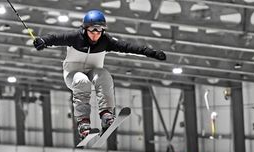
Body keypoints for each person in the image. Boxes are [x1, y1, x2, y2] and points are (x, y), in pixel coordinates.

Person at [32, 9, 167, 138]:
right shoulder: (74, 37)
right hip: (73, 75)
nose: (96, 34)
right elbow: (55, 37)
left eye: (99, 30)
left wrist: (151, 53)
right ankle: (83, 122)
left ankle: (106, 114)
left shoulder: (105, 41)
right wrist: (43, 41)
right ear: (85, 29)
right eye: (92, 30)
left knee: (104, 75)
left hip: (93, 74)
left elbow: (128, 47)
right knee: (82, 81)